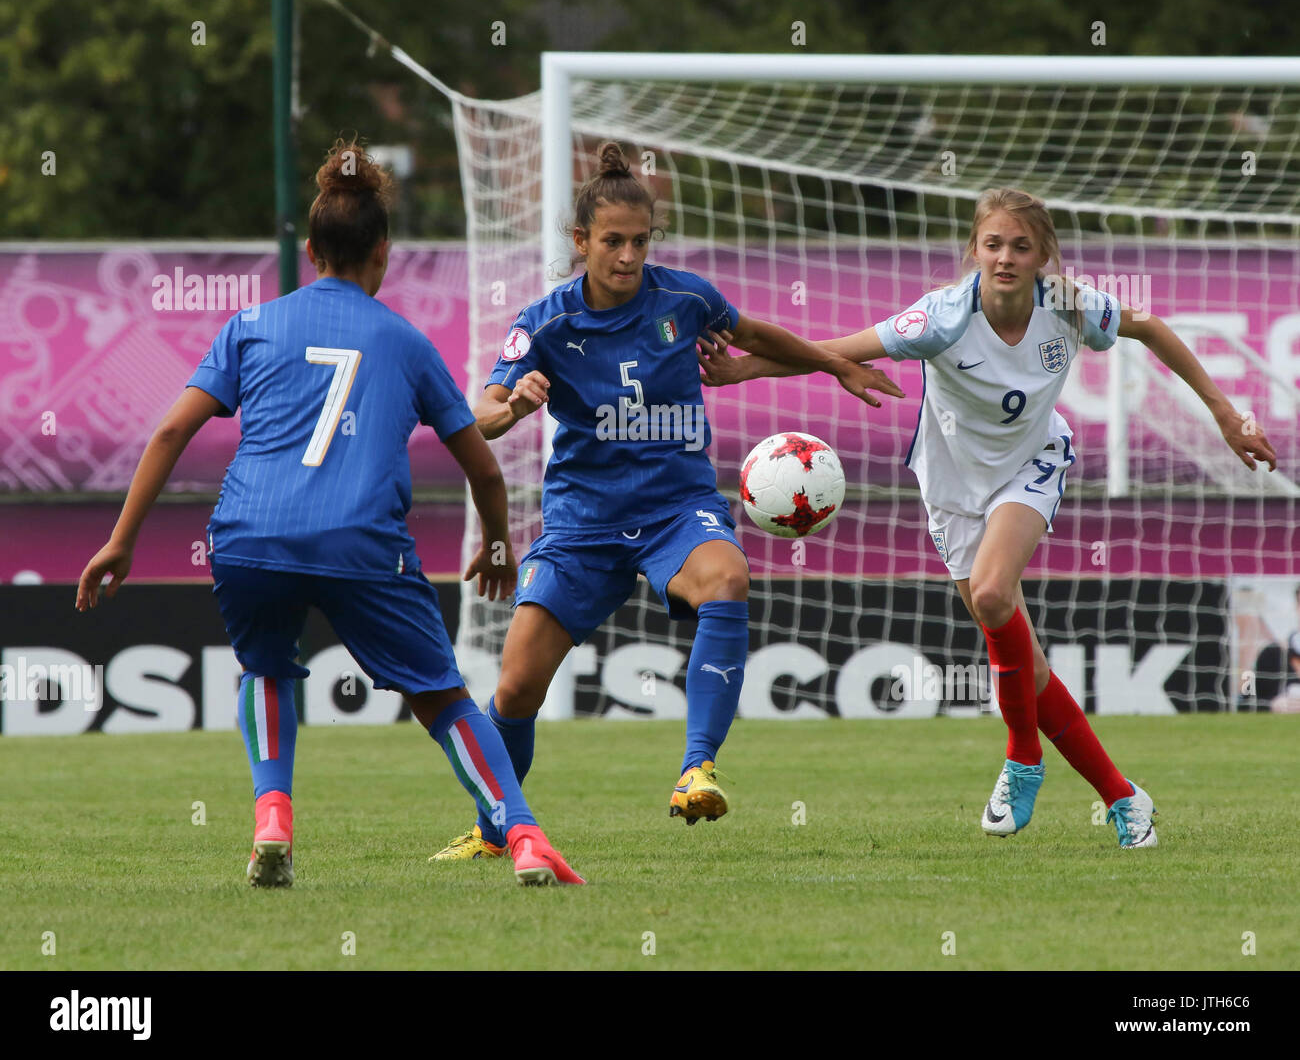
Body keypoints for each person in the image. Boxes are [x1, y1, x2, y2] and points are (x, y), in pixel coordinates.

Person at [699, 186, 1278, 848]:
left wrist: (1225, 413)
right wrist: (737, 372)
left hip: (1031, 466)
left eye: (1021, 247)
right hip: (951, 487)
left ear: (1043, 257)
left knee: (997, 593)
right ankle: (1123, 797)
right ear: (974, 250)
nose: (1005, 257)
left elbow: (1148, 327)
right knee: (1024, 665)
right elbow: (833, 348)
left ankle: (1021, 757)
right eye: (993, 244)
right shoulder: (942, 317)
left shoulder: (1066, 305)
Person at [76, 139, 582, 887]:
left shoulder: (250, 325)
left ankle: (273, 815)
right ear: (383, 253)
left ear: (310, 251)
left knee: (265, 669)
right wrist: (500, 543)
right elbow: (481, 462)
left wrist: (122, 541)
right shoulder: (407, 343)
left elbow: (170, 431)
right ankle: (525, 837)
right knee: (442, 698)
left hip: (249, 538)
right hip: (361, 546)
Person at [431, 141, 904, 861]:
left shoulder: (684, 300)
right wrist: (516, 403)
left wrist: (837, 363)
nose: (627, 256)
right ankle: (495, 829)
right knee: (518, 685)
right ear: (581, 241)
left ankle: (697, 767)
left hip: (676, 509)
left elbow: (755, 336)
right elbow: (482, 413)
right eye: (612, 242)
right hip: (583, 521)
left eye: (640, 241)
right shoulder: (547, 323)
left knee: (728, 577)